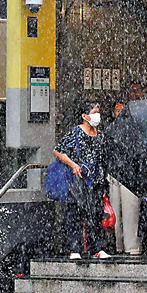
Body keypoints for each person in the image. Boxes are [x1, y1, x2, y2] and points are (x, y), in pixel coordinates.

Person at [53, 101, 111, 260]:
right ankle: (74, 248)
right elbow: (58, 151)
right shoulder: (75, 133)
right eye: (94, 112)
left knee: (96, 215)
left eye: (98, 112)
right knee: (75, 215)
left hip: (97, 181)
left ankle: (97, 248)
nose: (97, 115)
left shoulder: (100, 135)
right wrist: (73, 164)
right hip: (79, 181)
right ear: (84, 116)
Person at [108, 84, 145, 256]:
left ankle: (132, 247)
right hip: (114, 174)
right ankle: (117, 245)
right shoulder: (109, 130)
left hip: (130, 174)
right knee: (115, 212)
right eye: (117, 110)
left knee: (131, 212)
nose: (120, 113)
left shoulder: (135, 129)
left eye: (123, 111)